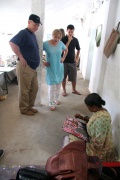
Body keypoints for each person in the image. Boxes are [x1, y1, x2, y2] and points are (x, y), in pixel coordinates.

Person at [9, 14, 42, 116]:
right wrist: (21, 57)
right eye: (34, 24)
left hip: (33, 67)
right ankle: (24, 109)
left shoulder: (32, 35)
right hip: (25, 67)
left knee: (34, 88)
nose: (36, 27)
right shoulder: (24, 33)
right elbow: (12, 43)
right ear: (29, 22)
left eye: (38, 25)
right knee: (24, 90)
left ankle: (29, 106)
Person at [74, 93, 115, 161]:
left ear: (94, 107)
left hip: (100, 150)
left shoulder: (102, 119)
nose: (88, 108)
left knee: (76, 148)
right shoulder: (102, 111)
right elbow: (93, 121)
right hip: (95, 140)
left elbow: (99, 142)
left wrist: (85, 140)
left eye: (88, 107)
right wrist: (81, 117)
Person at [43, 29, 68, 111]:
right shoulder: (45, 44)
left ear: (60, 37)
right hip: (50, 68)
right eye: (55, 37)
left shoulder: (60, 43)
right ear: (52, 35)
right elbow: (38, 51)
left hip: (59, 67)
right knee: (51, 86)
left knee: (58, 86)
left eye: (58, 37)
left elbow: (66, 49)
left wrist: (63, 58)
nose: (56, 39)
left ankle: (55, 100)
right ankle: (51, 103)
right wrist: (43, 61)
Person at [61, 24, 81, 96]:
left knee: (74, 77)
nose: (70, 33)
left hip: (72, 62)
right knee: (63, 77)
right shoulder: (63, 39)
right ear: (67, 30)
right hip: (64, 62)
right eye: (69, 32)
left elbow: (78, 49)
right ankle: (64, 90)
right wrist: (69, 41)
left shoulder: (75, 40)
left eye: (72, 32)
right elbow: (63, 50)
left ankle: (74, 90)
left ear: (73, 31)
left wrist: (77, 58)